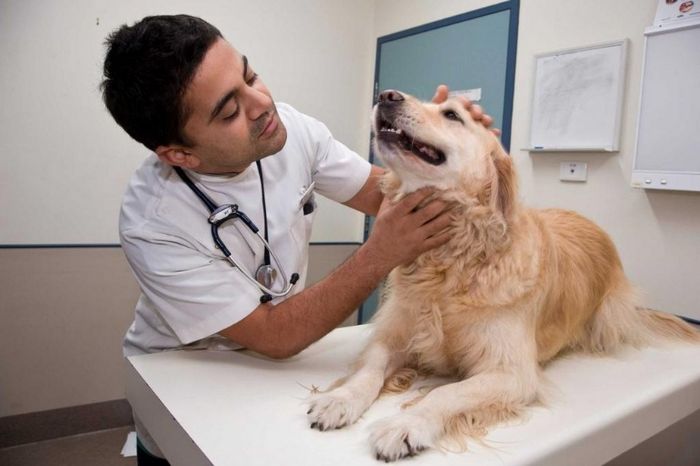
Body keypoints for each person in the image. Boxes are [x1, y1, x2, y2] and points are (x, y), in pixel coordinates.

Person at [101, 14, 496, 465]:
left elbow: (383, 195)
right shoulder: (152, 223)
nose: (262, 103)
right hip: (181, 375)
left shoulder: (290, 130)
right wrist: (381, 253)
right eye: (229, 111)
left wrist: (453, 146)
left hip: (277, 366)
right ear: (179, 153)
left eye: (250, 75)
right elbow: (274, 335)